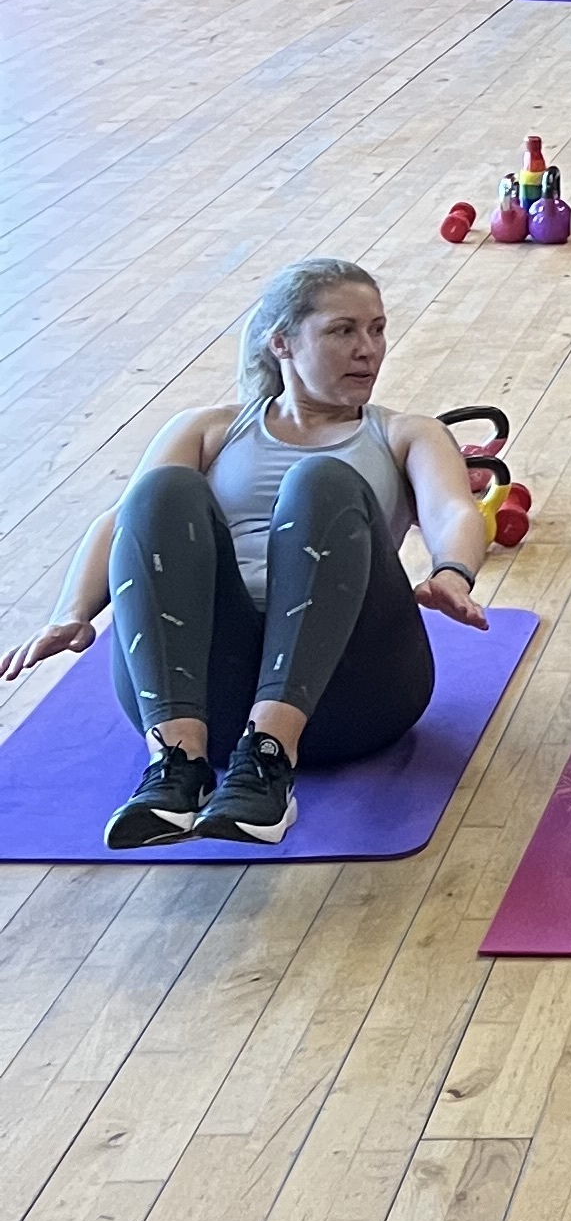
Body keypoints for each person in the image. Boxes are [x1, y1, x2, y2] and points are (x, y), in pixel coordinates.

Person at [1, 259, 492, 849]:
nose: (369, 349)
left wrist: (452, 572)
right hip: (213, 694)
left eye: (378, 329)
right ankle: (176, 765)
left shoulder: (404, 432)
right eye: (343, 331)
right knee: (160, 490)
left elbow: (453, 510)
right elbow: (124, 522)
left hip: (353, 692)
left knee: (320, 484)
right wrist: (73, 612)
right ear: (281, 342)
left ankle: (270, 761)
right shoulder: (209, 428)